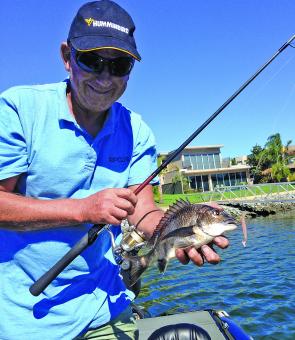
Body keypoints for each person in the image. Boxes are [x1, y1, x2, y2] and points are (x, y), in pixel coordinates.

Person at [0, 1, 229, 339]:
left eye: (119, 65)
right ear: (67, 57)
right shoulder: (19, 109)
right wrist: (82, 209)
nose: (105, 78)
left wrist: (179, 234)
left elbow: (145, 212)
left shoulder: (137, 130)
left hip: (104, 303)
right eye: (92, 61)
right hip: (25, 317)